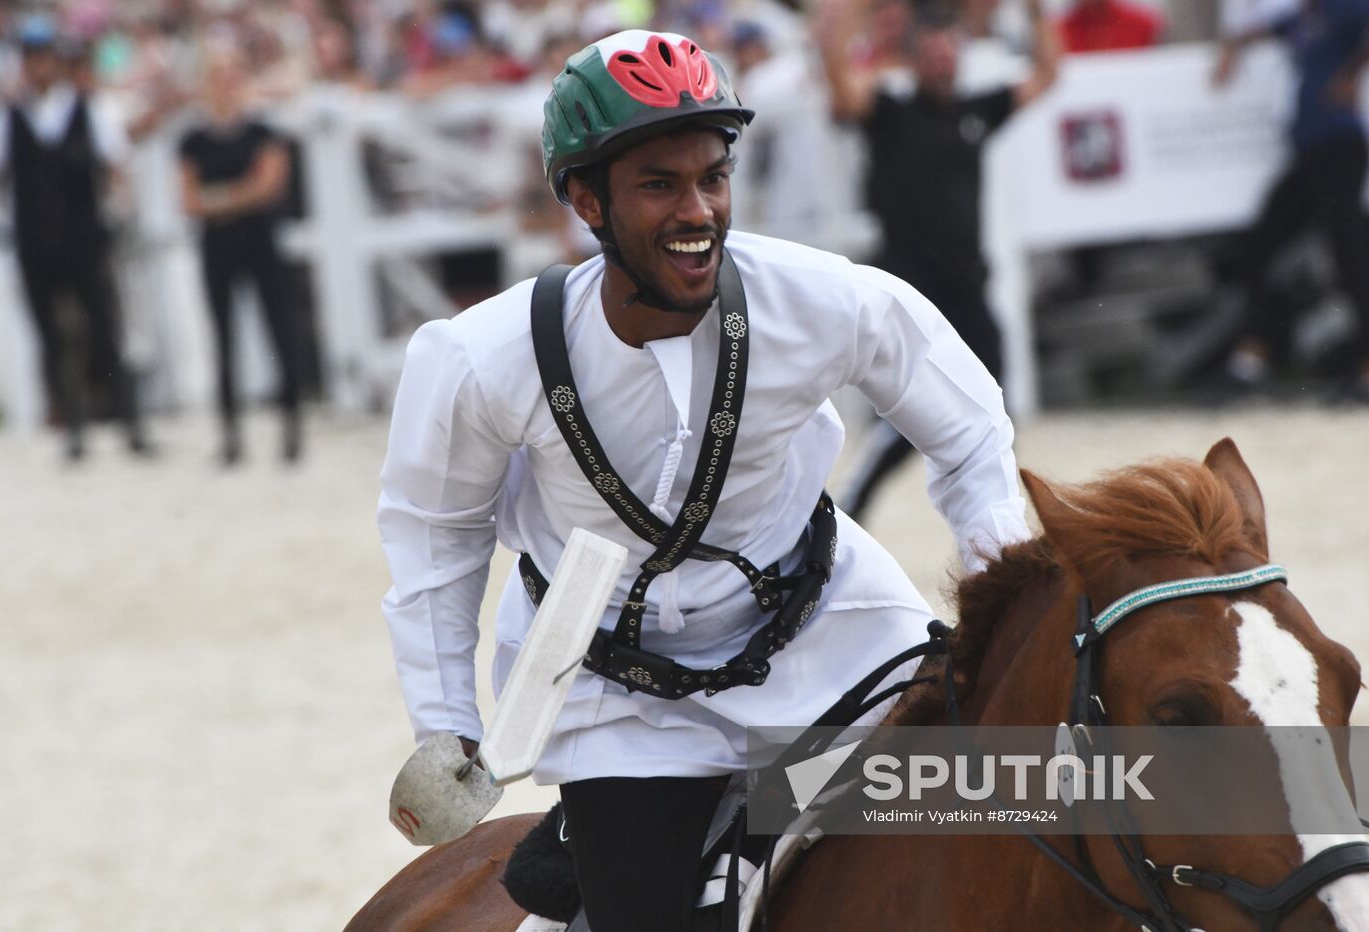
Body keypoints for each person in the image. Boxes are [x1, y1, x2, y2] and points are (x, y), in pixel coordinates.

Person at [377, 29, 1030, 931]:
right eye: (658, 185)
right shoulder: (478, 359)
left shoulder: (829, 301)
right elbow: (434, 537)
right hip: (618, 697)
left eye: (712, 177)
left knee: (1010, 812)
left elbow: (972, 432)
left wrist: (1007, 589)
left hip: (834, 644)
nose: (699, 210)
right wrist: (445, 720)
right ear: (584, 201)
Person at [816, 0, 1059, 520]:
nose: (943, 62)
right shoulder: (890, 114)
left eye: (950, 54)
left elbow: (1047, 76)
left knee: (996, 406)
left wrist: (1038, 13)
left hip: (968, 286)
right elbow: (841, 82)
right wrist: (849, 17)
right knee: (908, 416)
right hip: (910, 289)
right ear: (915, 61)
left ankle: (998, 517)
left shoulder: (977, 112)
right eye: (932, 55)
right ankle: (851, 505)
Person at [1215, 0, 1369, 404]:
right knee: (1260, 244)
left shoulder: (1346, 8)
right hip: (1310, 152)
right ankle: (1255, 355)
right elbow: (1254, 31)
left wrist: (1353, 72)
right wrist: (1230, 49)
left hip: (1341, 146)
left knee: (1350, 255)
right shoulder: (1303, 17)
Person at [0, 14, 151, 461]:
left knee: (105, 327)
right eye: (31, 58)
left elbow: (116, 167)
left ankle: (128, 419)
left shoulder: (89, 110)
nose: (38, 66)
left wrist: (120, 213)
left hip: (84, 236)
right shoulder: (10, 118)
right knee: (51, 335)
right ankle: (73, 424)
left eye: (44, 57)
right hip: (36, 240)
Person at [178, 45, 302, 465]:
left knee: (280, 329)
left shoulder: (263, 132)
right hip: (218, 248)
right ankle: (230, 432)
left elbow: (269, 186)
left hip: (259, 243)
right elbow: (188, 200)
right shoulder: (193, 138)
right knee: (223, 336)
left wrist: (220, 199)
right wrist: (241, 194)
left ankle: (291, 423)